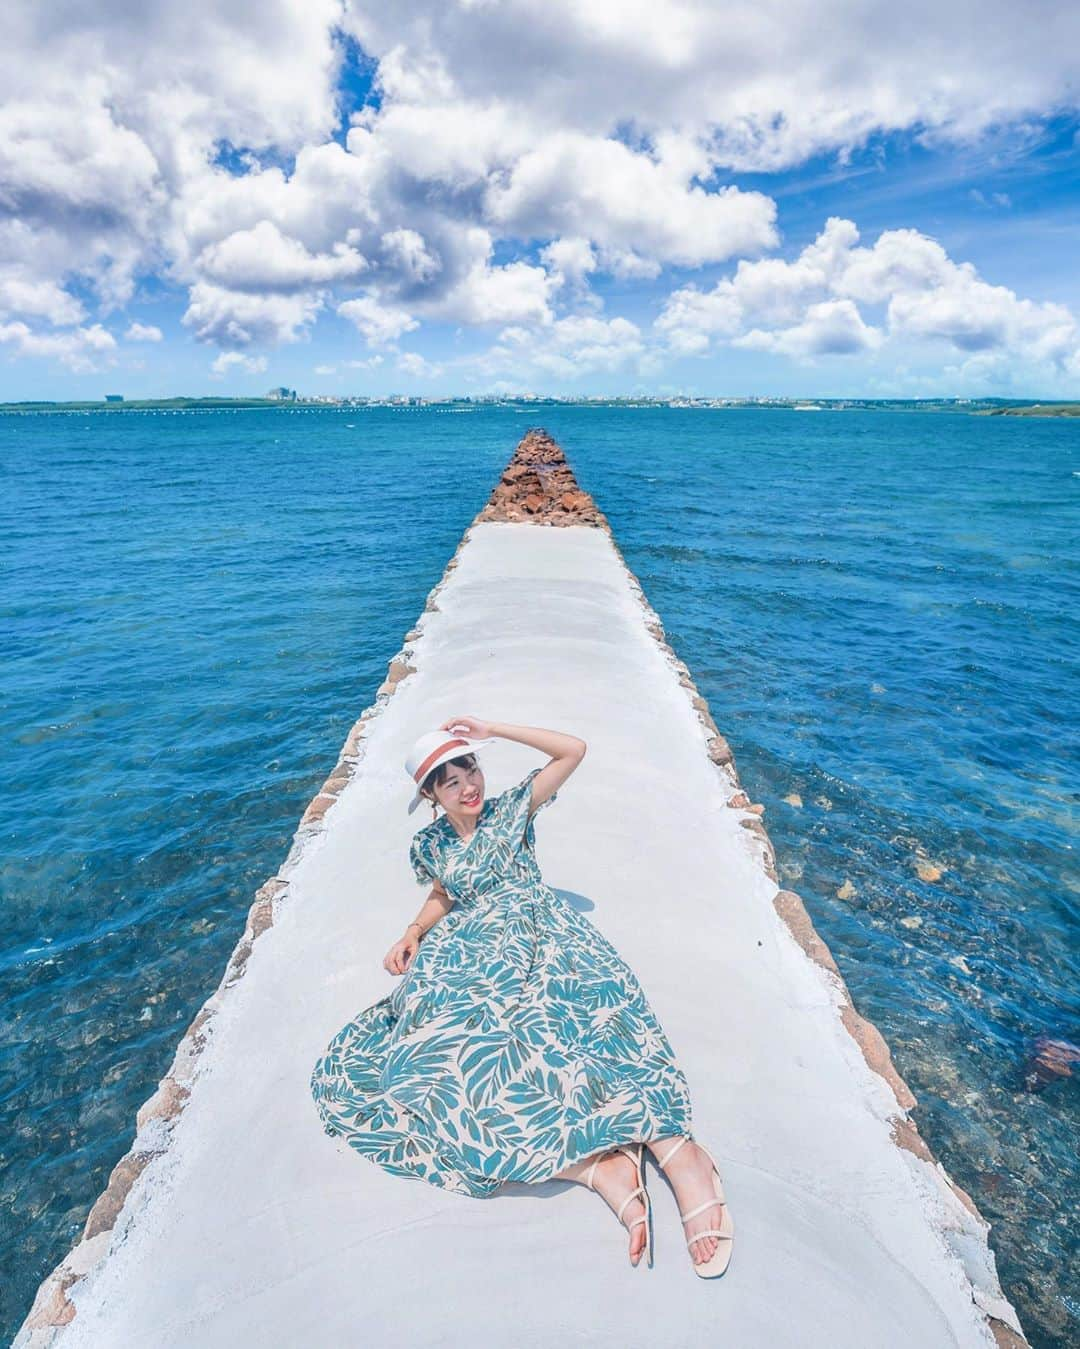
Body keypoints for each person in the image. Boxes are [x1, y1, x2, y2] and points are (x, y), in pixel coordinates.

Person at [310, 716, 734, 1275]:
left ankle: (678, 1155)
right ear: (432, 797)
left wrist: (494, 729)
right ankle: (596, 1165)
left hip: (543, 935)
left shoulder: (511, 810)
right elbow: (445, 893)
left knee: (581, 1031)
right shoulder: (431, 843)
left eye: (471, 767)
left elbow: (574, 750)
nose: (468, 785)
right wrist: (413, 932)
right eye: (450, 780)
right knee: (435, 1062)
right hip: (469, 949)